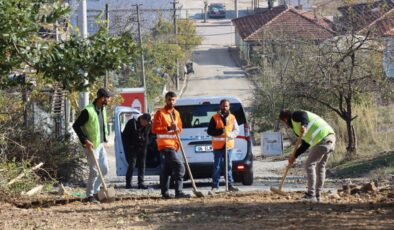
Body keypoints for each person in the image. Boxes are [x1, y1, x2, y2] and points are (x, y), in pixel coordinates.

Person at [279, 109, 336, 202]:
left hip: (321, 139)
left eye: (284, 122)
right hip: (330, 138)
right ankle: (317, 195)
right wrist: (294, 155)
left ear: (285, 119)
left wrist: (304, 125)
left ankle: (311, 195)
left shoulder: (295, 115)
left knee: (309, 165)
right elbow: (305, 144)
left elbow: (303, 115)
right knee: (320, 167)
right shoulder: (297, 129)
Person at [72, 88, 112, 203]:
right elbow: (76, 126)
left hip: (100, 145)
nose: (109, 100)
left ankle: (95, 192)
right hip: (91, 146)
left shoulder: (102, 109)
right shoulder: (87, 111)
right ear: (101, 98)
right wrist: (85, 140)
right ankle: (89, 196)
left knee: (104, 170)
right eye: (107, 98)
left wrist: (105, 139)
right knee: (94, 171)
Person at [152, 91, 191, 199]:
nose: (171, 101)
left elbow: (179, 129)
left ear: (175, 100)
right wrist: (169, 128)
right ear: (165, 100)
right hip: (165, 146)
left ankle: (165, 193)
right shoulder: (160, 113)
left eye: (173, 100)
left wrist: (177, 129)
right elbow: (154, 129)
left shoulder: (176, 113)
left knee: (166, 169)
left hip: (174, 145)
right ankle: (179, 192)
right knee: (180, 167)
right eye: (169, 99)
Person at [207, 99, 239, 193]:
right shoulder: (214, 117)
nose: (225, 107)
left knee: (228, 166)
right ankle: (215, 186)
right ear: (220, 106)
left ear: (229, 107)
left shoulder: (232, 117)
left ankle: (229, 185)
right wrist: (220, 131)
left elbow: (236, 130)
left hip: (228, 146)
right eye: (223, 106)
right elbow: (210, 131)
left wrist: (230, 135)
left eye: (227, 106)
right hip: (218, 147)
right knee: (217, 166)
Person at [122, 113, 152, 189]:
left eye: (147, 123)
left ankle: (141, 183)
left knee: (142, 165)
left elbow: (149, 134)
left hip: (143, 147)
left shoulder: (148, 124)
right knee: (132, 164)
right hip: (132, 147)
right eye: (145, 122)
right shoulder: (132, 123)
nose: (145, 124)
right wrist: (129, 146)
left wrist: (148, 141)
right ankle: (128, 183)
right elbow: (125, 136)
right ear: (141, 119)